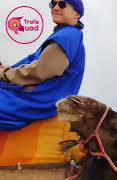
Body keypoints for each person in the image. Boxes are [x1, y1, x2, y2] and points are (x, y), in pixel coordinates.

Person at [0, 0, 85, 131]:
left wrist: (4, 73)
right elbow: (33, 64)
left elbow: (41, 71)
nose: (55, 8)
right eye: (53, 4)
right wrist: (8, 69)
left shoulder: (67, 36)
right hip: (33, 98)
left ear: (77, 14)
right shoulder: (66, 35)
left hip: (31, 101)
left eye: (62, 4)